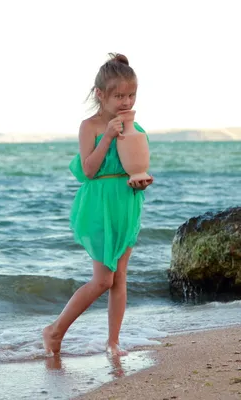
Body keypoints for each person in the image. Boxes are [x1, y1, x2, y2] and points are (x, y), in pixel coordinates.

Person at [43, 53, 153, 357]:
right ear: (100, 94)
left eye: (131, 95)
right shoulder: (89, 126)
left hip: (126, 203)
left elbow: (138, 168)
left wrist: (141, 181)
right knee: (103, 279)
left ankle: (113, 342)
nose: (126, 101)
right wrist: (107, 137)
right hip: (98, 206)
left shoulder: (137, 129)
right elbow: (89, 170)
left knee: (119, 278)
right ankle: (54, 331)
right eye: (119, 95)